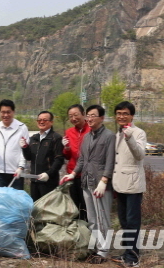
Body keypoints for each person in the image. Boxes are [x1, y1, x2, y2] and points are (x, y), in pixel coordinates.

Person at [61, 104, 115, 266]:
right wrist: (72, 173)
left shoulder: (109, 136)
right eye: (88, 116)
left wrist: (104, 181)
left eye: (93, 116)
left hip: (100, 183)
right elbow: (82, 160)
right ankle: (95, 248)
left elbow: (110, 161)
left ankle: (104, 251)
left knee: (102, 218)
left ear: (101, 118)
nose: (89, 119)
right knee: (92, 218)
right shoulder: (87, 137)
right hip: (86, 181)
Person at [110, 101, 146, 268]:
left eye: (125, 114)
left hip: (133, 184)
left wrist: (130, 137)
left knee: (132, 221)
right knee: (124, 220)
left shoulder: (138, 133)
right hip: (120, 184)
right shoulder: (116, 134)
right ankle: (127, 253)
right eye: (118, 113)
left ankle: (133, 257)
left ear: (132, 116)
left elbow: (139, 155)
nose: (121, 116)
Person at [19, 110, 64, 201]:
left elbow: (59, 159)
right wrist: (24, 148)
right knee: (36, 208)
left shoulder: (55, 138)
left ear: (51, 122)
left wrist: (48, 173)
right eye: (39, 120)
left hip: (48, 181)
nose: (41, 122)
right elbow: (29, 158)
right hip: (34, 180)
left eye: (45, 120)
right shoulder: (34, 138)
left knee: (48, 209)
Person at [0, 99, 30, 190]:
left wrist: (21, 167)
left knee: (16, 200)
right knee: (2, 200)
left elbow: (25, 150)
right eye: (3, 112)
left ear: (13, 112)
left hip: (16, 171)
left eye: (8, 112)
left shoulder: (22, 127)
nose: (5, 115)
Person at [62, 104, 91, 220]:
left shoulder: (91, 130)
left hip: (87, 174)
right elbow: (67, 156)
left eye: (76, 115)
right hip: (72, 174)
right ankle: (78, 231)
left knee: (87, 206)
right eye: (70, 116)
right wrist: (66, 148)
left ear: (83, 115)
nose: (73, 118)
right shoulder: (69, 132)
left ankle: (89, 231)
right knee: (75, 205)